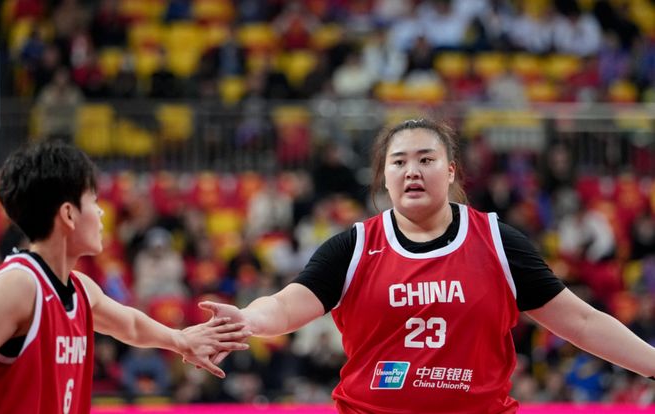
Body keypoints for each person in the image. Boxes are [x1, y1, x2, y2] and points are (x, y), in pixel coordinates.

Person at [200, 118, 655, 413]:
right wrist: (247, 318)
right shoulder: (354, 247)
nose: (411, 171)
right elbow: (285, 306)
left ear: (451, 171)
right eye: (398, 162)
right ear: (385, 177)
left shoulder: (497, 242)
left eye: (426, 160)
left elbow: (581, 321)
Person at [0, 140, 251, 414]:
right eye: (94, 202)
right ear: (68, 214)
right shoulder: (18, 286)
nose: (102, 212)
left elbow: (130, 326)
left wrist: (182, 341)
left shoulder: (82, 289)